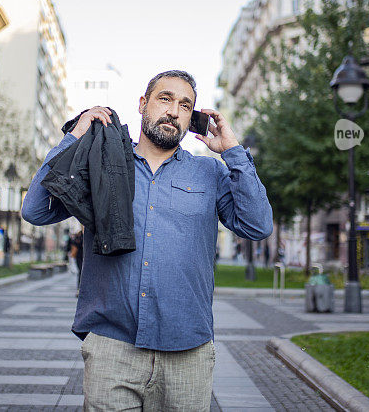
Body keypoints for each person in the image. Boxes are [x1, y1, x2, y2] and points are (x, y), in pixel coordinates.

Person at [22, 70, 273, 410]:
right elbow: (36, 211)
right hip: (113, 349)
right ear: (143, 104)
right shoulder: (102, 163)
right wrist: (74, 138)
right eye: (165, 99)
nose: (174, 111)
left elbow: (257, 225)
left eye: (185, 105)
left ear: (192, 118)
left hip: (188, 354)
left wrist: (232, 151)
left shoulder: (210, 173)